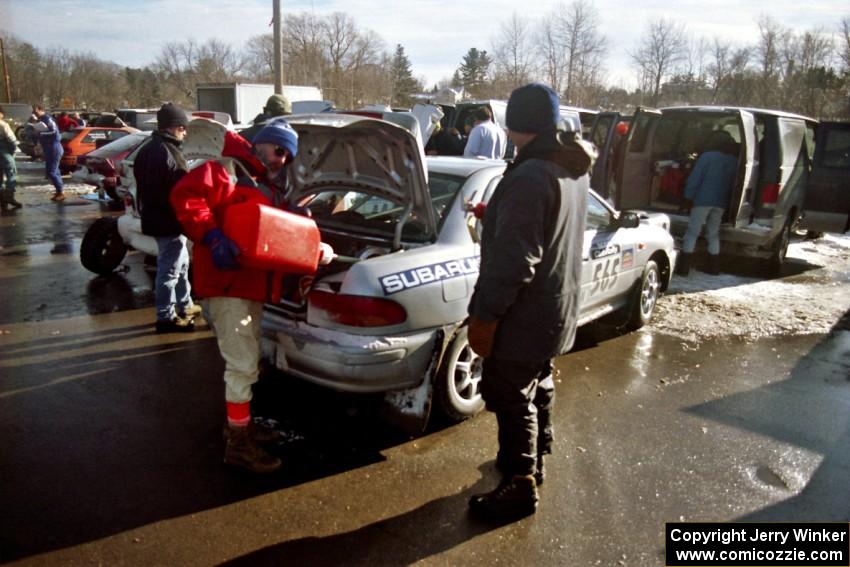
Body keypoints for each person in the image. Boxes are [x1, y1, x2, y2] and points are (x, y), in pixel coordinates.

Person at [170, 118, 332, 473]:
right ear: (264, 145)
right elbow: (186, 195)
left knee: (247, 359)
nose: (282, 161)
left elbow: (268, 228)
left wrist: (303, 227)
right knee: (242, 364)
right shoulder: (227, 169)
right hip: (228, 287)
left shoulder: (263, 182)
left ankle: (239, 425)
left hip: (248, 287)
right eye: (280, 152)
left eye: (287, 156)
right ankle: (238, 444)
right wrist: (211, 235)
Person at [466, 83, 593, 522]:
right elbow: (546, 228)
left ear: (513, 123)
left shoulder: (530, 174)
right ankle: (535, 455)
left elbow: (517, 259)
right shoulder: (569, 168)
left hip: (526, 310)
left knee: (508, 391)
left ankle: (520, 484)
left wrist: (486, 313)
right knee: (537, 379)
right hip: (557, 305)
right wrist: (494, 214)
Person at [134, 103, 199, 333]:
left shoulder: (149, 149)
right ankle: (165, 317)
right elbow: (169, 191)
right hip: (167, 221)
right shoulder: (165, 153)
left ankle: (186, 305)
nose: (185, 132)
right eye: (183, 128)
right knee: (170, 270)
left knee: (181, 265)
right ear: (173, 128)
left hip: (162, 219)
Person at [676, 131, 738, 276]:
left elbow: (695, 179)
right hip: (721, 202)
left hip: (702, 200)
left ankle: (683, 268)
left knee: (692, 232)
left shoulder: (707, 157)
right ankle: (714, 268)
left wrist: (687, 197)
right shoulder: (733, 160)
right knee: (713, 233)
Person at [32, 105, 65, 201]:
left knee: (52, 172)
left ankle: (60, 192)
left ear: (41, 110)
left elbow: (55, 133)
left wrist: (41, 134)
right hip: (49, 148)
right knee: (55, 171)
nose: (35, 114)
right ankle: (59, 191)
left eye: (36, 111)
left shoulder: (48, 119)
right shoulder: (41, 120)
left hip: (54, 148)